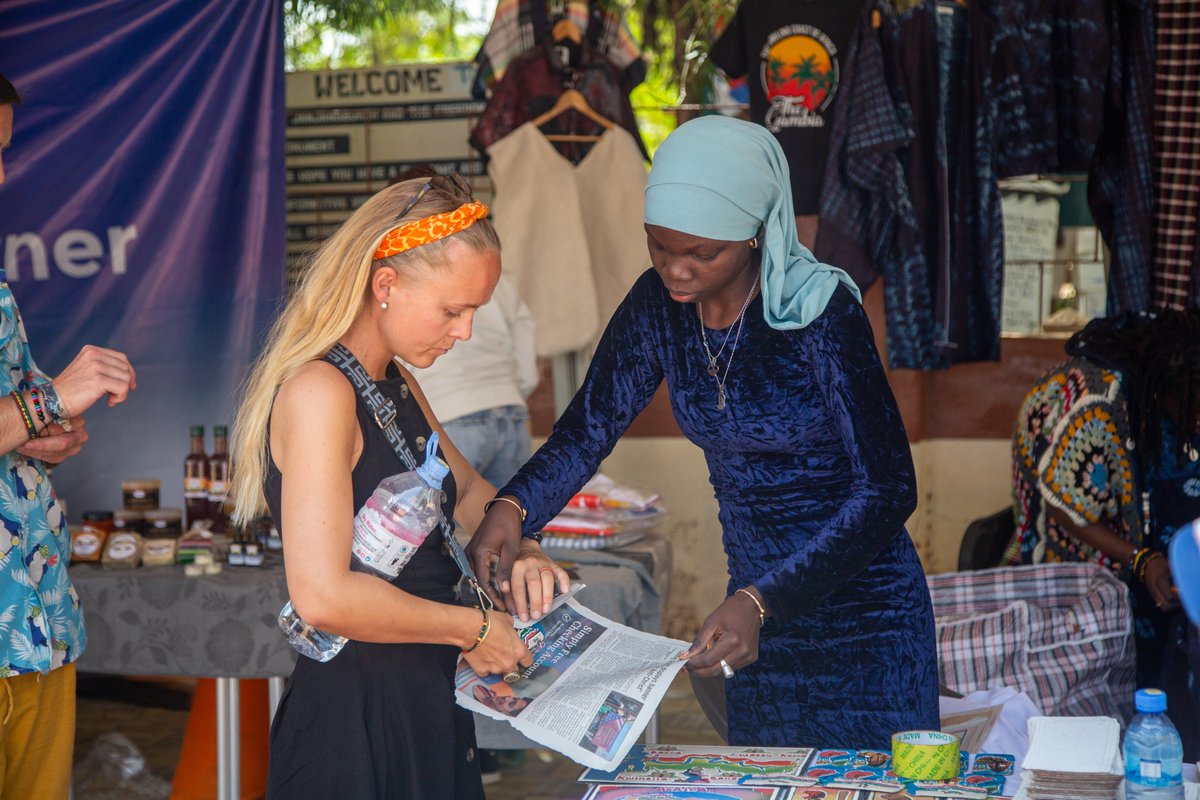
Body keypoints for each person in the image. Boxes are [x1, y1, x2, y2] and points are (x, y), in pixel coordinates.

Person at [469, 115, 939, 747]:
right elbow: (587, 430)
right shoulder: (656, 309)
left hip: (867, 622)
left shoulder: (821, 315)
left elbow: (887, 489)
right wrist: (513, 506)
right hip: (753, 631)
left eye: (701, 253)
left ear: (753, 234)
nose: (675, 270)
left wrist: (762, 600)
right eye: (658, 245)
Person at [229, 172, 567, 799]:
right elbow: (323, 597)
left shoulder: (393, 383)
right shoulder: (320, 392)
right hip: (358, 717)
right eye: (452, 310)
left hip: (425, 693)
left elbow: (469, 494)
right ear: (385, 285)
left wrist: (525, 545)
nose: (464, 332)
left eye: (473, 312)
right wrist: (472, 629)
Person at [0, 73, 137, 799]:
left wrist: (39, 429)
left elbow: (11, 416)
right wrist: (49, 396)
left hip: (35, 618)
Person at [1011, 308, 1200, 754]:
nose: (1197, 422)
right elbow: (1066, 510)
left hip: (1139, 549)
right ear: (1169, 388)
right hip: (1069, 560)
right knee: (1097, 698)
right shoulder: (1094, 402)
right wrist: (1141, 557)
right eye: (1194, 408)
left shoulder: (1163, 401)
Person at [392, 167, 539, 490]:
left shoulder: (409, 274)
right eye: (452, 312)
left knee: (451, 533)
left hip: (448, 414)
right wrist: (509, 392)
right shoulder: (489, 270)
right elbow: (524, 336)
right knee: (502, 529)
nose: (464, 331)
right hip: (511, 413)